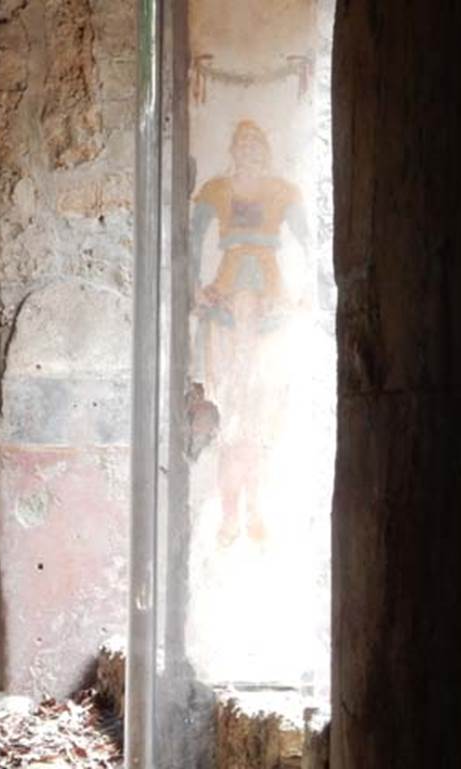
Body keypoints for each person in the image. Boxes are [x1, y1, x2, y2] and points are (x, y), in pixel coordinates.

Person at [190, 119, 314, 548]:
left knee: (259, 426)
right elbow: (190, 242)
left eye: (255, 143)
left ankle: (256, 509)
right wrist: (194, 288)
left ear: (266, 149)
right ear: (233, 149)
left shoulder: (283, 192)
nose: (249, 149)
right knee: (230, 423)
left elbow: (308, 241)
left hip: (269, 305)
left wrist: (307, 290)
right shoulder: (215, 190)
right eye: (241, 143)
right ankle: (229, 516)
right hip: (225, 304)